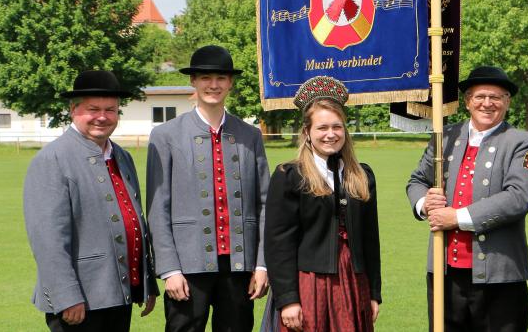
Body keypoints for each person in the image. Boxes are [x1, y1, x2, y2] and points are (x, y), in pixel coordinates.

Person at [405, 65, 528, 332]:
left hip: (499, 276)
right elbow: (417, 181)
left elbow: (519, 197)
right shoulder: (444, 137)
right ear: (468, 101)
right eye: (479, 96)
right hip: (444, 274)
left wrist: (455, 217)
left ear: (507, 102)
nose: (487, 103)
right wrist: (425, 204)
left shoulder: (524, 143)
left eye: (496, 97)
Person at [146, 45, 271, 332]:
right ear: (193, 81)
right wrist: (170, 269)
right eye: (205, 78)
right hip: (187, 267)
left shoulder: (250, 135)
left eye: (220, 78)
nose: (213, 85)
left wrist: (262, 265)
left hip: (240, 266)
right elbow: (157, 209)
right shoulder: (165, 135)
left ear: (230, 83)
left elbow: (265, 204)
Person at [23, 70, 157, 331]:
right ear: (73, 110)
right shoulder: (53, 159)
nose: (102, 117)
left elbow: (134, 219)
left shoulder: (122, 156)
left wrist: (145, 281)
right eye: (93, 109)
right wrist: (66, 296)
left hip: (120, 293)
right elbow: (48, 240)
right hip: (80, 300)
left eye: (110, 109)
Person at [261, 76, 382, 332]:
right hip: (309, 283)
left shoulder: (362, 175)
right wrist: (288, 299)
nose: (330, 134)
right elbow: (278, 243)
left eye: (337, 127)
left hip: (353, 281)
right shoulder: (290, 176)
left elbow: (371, 239)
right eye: (322, 127)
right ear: (307, 132)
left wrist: (373, 292)